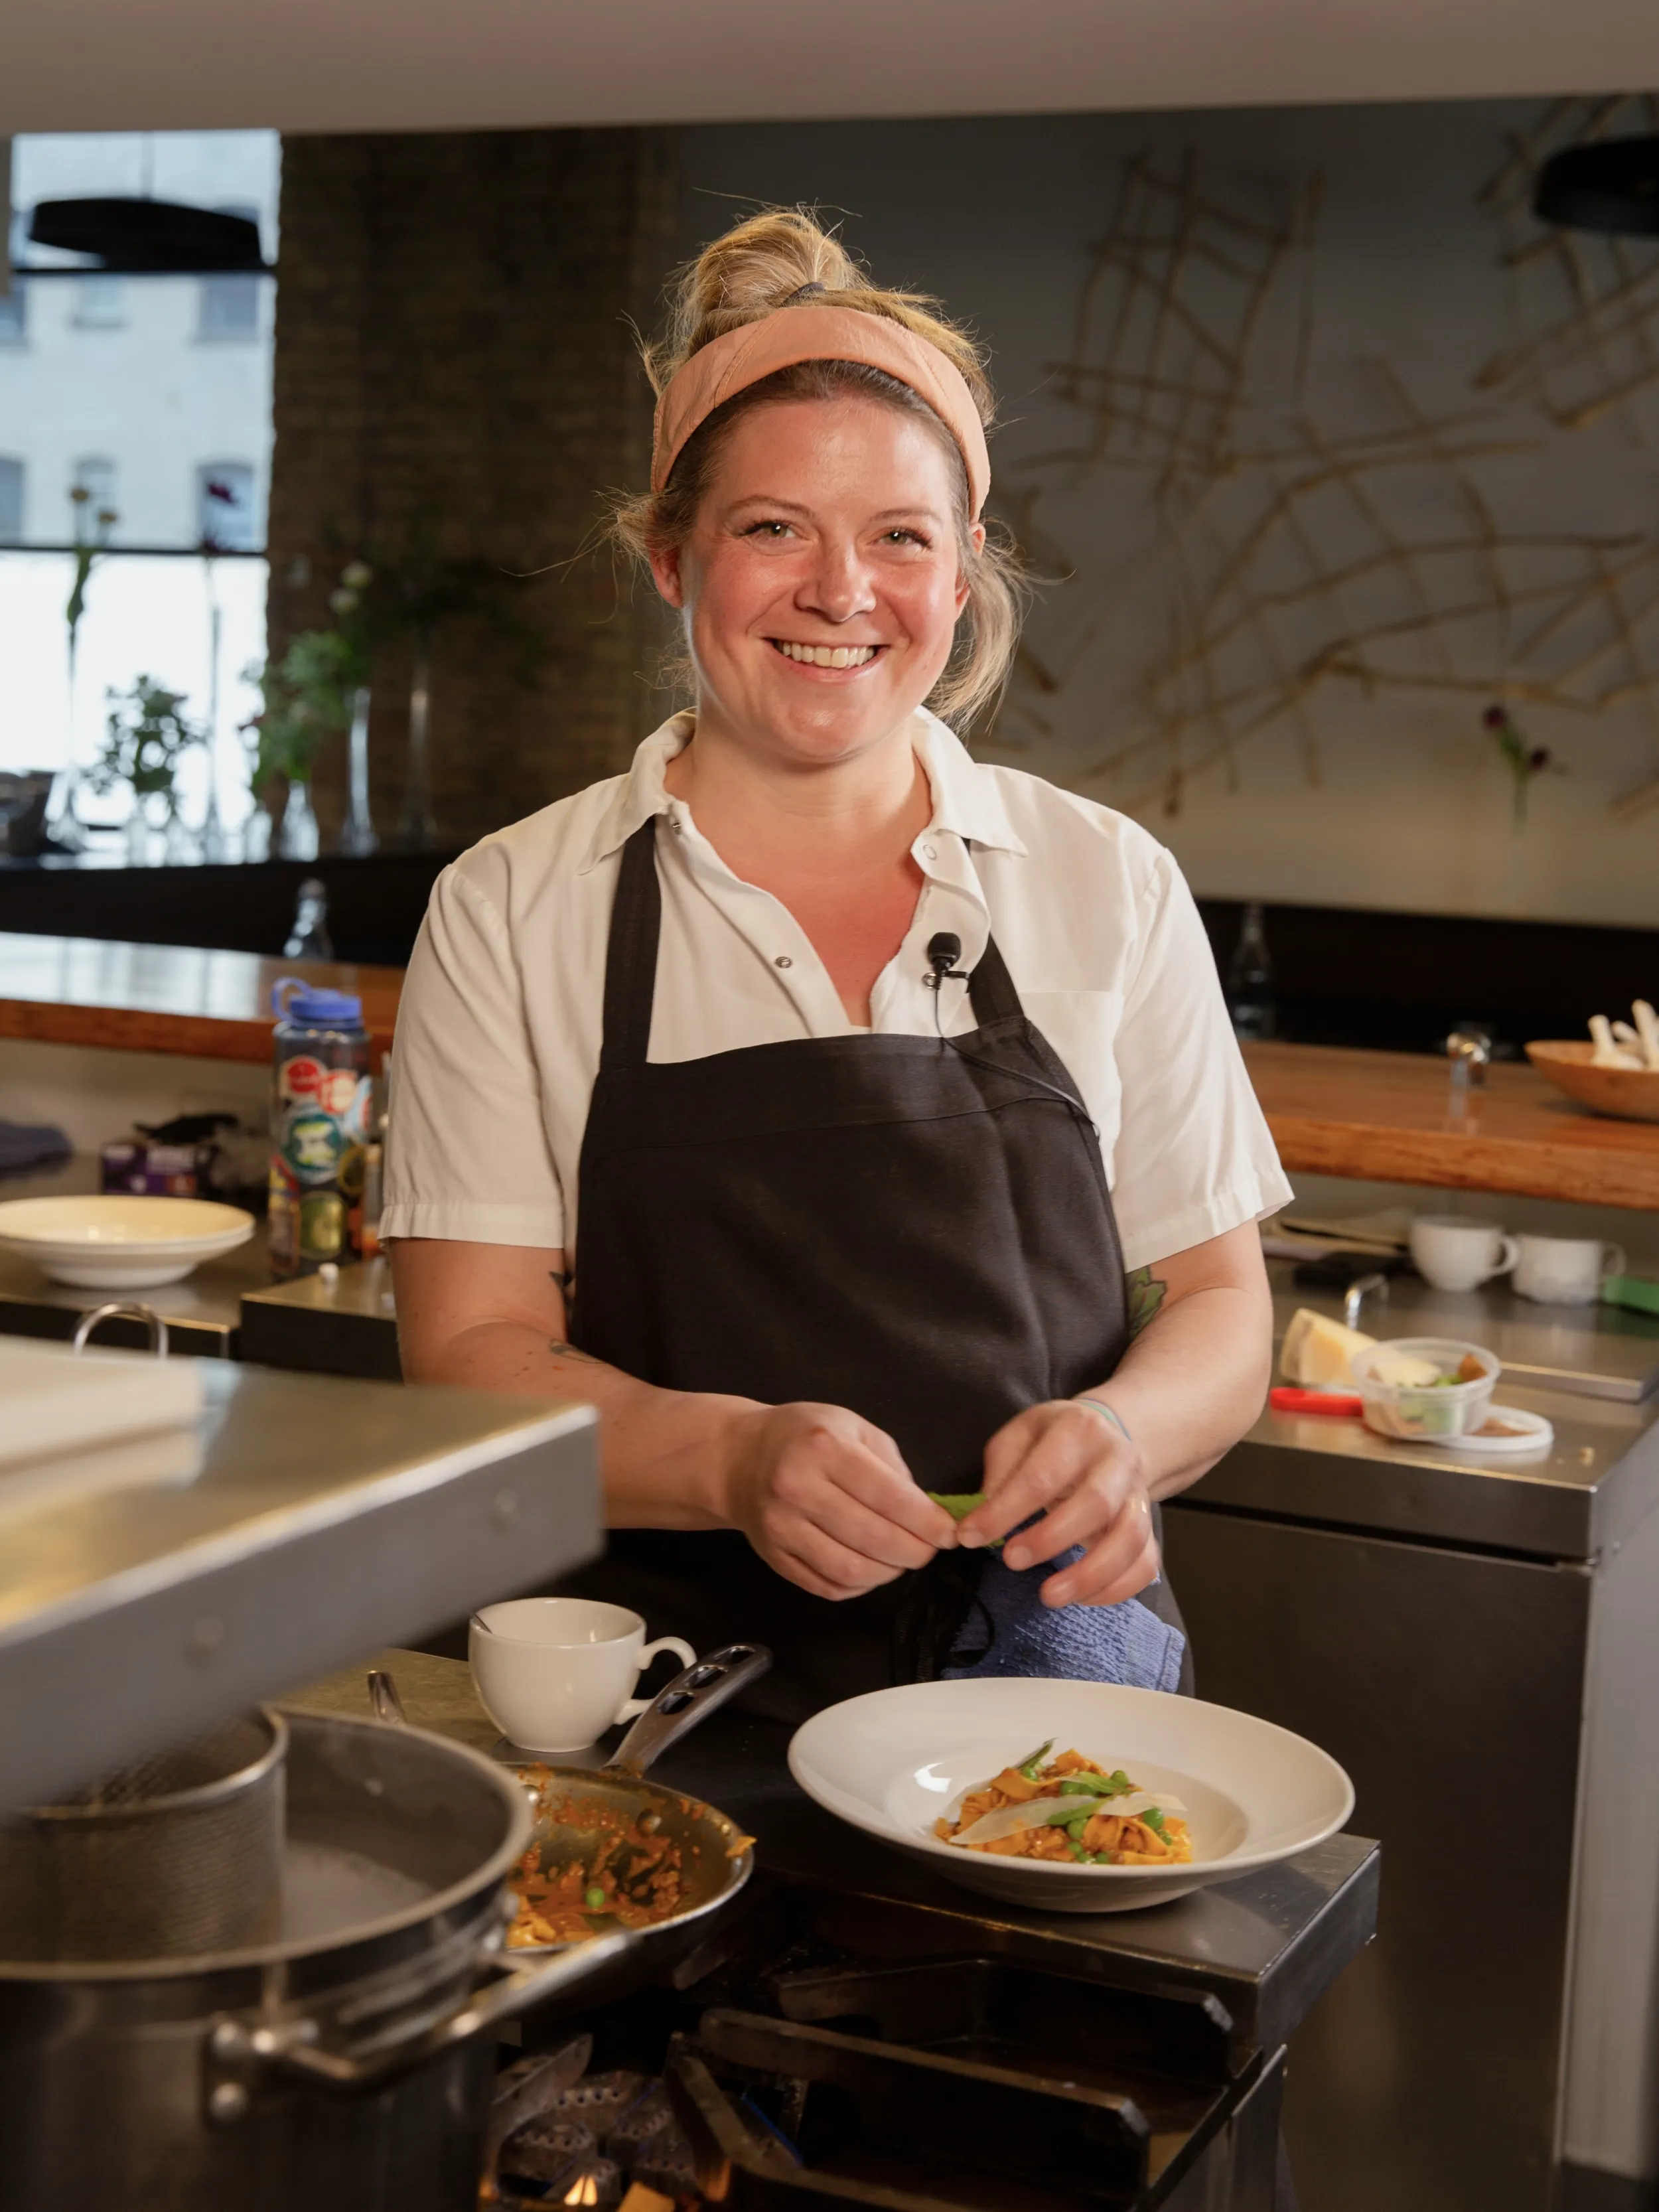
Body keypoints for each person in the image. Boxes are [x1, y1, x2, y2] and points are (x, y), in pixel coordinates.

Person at [383, 208, 1292, 1722]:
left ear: (960, 571)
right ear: (671, 556)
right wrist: (732, 1462)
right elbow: (469, 1353)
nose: (837, 590)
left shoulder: (1103, 883)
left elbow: (1217, 1303)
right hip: (655, 1703)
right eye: (769, 529)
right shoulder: (515, 903)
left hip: (1044, 1700)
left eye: (897, 538)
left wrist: (1127, 1436)